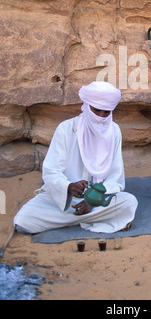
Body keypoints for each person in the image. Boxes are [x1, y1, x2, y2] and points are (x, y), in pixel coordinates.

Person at [14, 81, 138, 234]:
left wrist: (93, 200)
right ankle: (90, 218)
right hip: (64, 198)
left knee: (129, 202)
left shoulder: (114, 131)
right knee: (23, 220)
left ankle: (75, 218)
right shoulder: (66, 129)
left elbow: (115, 177)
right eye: (97, 110)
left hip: (98, 200)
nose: (101, 116)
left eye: (106, 112)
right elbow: (51, 172)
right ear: (86, 106)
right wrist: (69, 186)